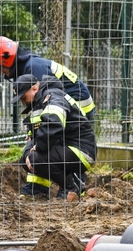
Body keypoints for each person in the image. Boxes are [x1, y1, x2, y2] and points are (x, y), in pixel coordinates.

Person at [0, 36, 96, 197]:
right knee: (40, 147)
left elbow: (49, 118)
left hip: (78, 106)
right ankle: (39, 189)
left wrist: (38, 144)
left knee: (53, 142)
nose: (0, 72)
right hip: (68, 106)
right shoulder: (28, 68)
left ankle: (73, 185)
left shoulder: (33, 70)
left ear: (6, 59)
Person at [12, 74, 96, 202]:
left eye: (24, 97)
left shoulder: (53, 96)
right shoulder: (38, 104)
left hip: (82, 150)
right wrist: (28, 153)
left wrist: (37, 148)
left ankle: (71, 187)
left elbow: (54, 124)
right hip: (65, 149)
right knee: (28, 158)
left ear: (34, 88)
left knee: (37, 158)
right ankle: (38, 190)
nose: (23, 102)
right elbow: (34, 136)